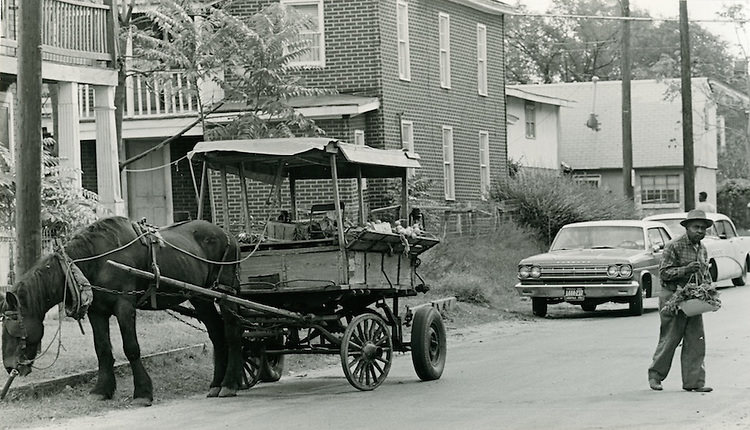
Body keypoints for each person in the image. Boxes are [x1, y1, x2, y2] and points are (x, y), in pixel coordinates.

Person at [648, 209, 713, 393]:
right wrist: (685, 270)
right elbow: (664, 273)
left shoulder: (702, 248)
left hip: (693, 299)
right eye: (696, 227)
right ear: (687, 228)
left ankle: (694, 382)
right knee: (670, 339)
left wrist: (709, 292)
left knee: (695, 340)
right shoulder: (673, 246)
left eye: (703, 228)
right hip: (672, 297)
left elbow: (704, 274)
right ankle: (655, 376)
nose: (700, 231)